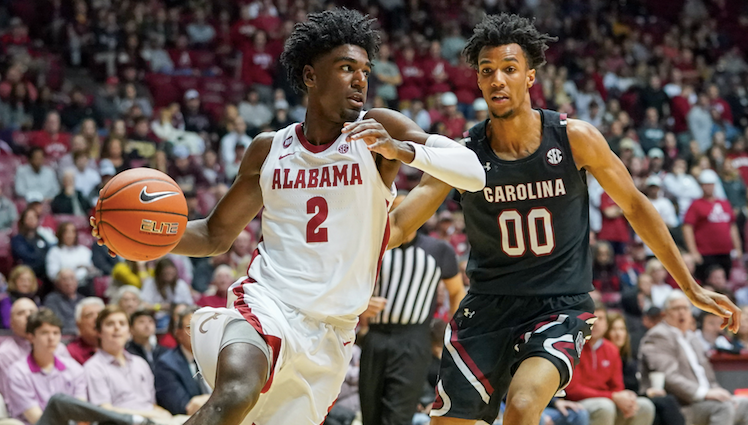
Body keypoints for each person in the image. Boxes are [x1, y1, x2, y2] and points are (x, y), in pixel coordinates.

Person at [91, 8, 484, 425]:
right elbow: (213, 236)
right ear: (311, 76)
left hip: (332, 330)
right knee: (235, 394)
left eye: (365, 70)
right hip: (269, 301)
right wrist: (141, 236)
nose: (360, 80)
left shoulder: (377, 130)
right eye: (346, 68)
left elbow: (472, 172)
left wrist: (402, 150)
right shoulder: (269, 149)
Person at [387, 13, 740, 425]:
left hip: (558, 306)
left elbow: (636, 206)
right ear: (479, 82)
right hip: (486, 308)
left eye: (509, 69)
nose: (498, 79)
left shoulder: (575, 137)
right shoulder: (464, 154)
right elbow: (398, 227)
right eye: (487, 72)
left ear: (530, 77)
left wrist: (690, 286)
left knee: (521, 407)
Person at [359, 192, 465, 425]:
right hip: (374, 339)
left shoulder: (439, 250)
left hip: (414, 340)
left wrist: (451, 332)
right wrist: (360, 306)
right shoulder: (372, 246)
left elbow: (457, 291)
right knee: (370, 415)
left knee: (397, 417)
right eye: (392, 208)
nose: (399, 215)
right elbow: (347, 287)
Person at [638, 291, 748, 425]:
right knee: (723, 408)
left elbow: (708, 376)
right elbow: (668, 377)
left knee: (746, 403)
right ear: (665, 313)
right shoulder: (658, 335)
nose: (682, 312)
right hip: (681, 405)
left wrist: (719, 392)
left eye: (685, 308)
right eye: (676, 308)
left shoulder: (692, 337)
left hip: (705, 400)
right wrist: (704, 393)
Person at [564, 304, 655, 425]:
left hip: (606, 400)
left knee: (644, 406)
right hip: (579, 402)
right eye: (591, 318)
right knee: (605, 407)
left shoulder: (611, 349)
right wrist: (612, 396)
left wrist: (622, 398)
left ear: (606, 324)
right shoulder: (572, 347)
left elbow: (617, 386)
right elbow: (573, 390)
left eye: (600, 318)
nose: (595, 323)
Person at [154, 306, 210, 416]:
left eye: (203, 326)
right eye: (190, 327)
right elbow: (182, 407)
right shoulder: (167, 364)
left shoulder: (218, 358)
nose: (198, 331)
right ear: (178, 333)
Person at [42, 268, 84, 334]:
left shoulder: (83, 300)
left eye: (72, 278)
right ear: (57, 283)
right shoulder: (51, 300)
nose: (69, 282)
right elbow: (56, 323)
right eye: (65, 279)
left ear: (77, 281)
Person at [66, 297, 104, 364]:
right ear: (78, 324)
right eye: (89, 315)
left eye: (100, 314)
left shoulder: (115, 346)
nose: (96, 319)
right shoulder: (71, 353)